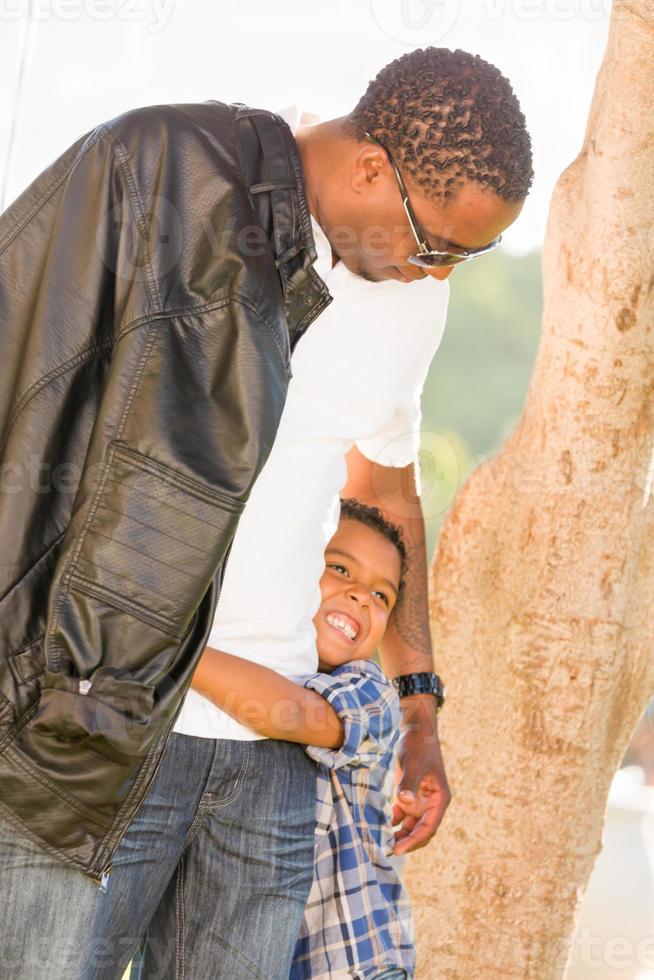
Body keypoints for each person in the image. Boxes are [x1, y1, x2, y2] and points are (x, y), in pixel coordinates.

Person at [0, 47, 533, 979]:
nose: (440, 276)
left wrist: (420, 712)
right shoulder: (159, 171)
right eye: (438, 246)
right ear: (373, 169)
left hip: (274, 764)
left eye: (468, 258)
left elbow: (385, 491)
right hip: (109, 727)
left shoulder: (410, 305)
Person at [182, 497, 419, 980]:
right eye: (339, 568)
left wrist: (162, 647)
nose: (360, 597)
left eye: (381, 596)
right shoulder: (250, 655)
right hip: (243, 940)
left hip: (351, 959)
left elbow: (285, 712)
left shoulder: (371, 694)